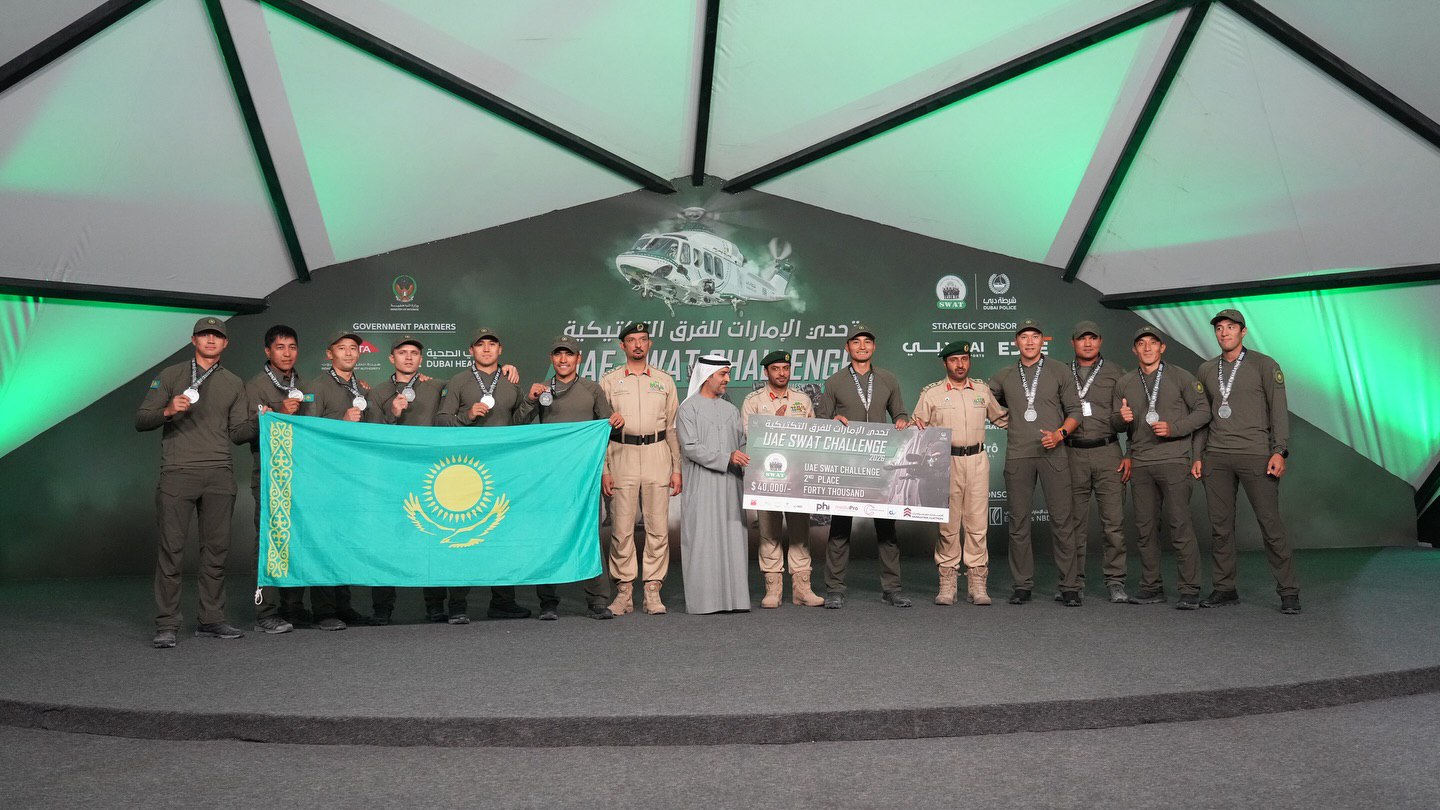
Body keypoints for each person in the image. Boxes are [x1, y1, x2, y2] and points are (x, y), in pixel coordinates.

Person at [134, 316, 250, 648]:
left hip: (219, 474)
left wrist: (267, 419)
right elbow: (141, 419)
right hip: (178, 472)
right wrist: (168, 410)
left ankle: (211, 620)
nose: (211, 339)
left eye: (217, 335)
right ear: (193, 340)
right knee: (171, 551)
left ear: (225, 343)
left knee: (216, 551)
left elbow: (238, 432)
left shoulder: (234, 382)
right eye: (204, 334)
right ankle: (167, 624)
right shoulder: (171, 375)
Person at [1193, 310, 1300, 614]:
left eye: (1231, 327)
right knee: (1220, 528)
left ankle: (1289, 591)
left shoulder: (1265, 365)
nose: (1224, 332)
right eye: (1219, 328)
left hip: (1256, 455)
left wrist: (1279, 450)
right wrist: (1197, 455)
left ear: (1243, 331)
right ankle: (1225, 588)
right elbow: (1203, 416)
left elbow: (1278, 410)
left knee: (1270, 524)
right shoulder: (1206, 369)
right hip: (1216, 457)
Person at [515, 335, 625, 620]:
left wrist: (616, 422)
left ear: (579, 358)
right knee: (548, 535)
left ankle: (597, 600)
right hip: (550, 475)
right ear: (551, 359)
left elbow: (608, 426)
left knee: (588, 533)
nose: (563, 359)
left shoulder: (591, 389)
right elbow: (517, 424)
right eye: (558, 354)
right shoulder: (541, 389)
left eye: (569, 354)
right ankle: (548, 602)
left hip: (584, 476)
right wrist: (529, 399)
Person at [435, 326, 530, 623]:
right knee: (463, 536)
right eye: (480, 345)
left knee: (502, 534)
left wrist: (530, 400)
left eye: (492, 344)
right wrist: (466, 416)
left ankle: (503, 601)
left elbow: (519, 422)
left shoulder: (511, 381)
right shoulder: (459, 381)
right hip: (467, 470)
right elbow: (440, 421)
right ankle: (457, 605)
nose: (486, 349)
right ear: (471, 351)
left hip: (504, 469)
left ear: (500, 350)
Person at [1112, 325, 1211, 609]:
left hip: (1174, 459)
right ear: (1134, 349)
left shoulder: (1181, 376)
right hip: (1142, 463)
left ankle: (1189, 589)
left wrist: (1175, 428)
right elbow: (1117, 424)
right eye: (1141, 343)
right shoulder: (1125, 382)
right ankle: (1151, 586)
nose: (1147, 347)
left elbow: (1204, 412)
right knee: (1145, 529)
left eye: (1152, 343)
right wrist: (1120, 419)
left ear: (1162, 347)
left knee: (1180, 525)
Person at [988, 319, 1084, 606]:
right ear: (1016, 342)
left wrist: (1060, 434)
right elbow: (981, 401)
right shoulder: (1003, 375)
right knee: (1018, 522)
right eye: (1024, 337)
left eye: (1035, 336)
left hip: (1054, 453)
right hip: (1019, 454)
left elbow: (1076, 411)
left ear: (1043, 340)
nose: (1029, 342)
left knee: (1062, 521)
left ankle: (1069, 587)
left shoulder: (1059, 371)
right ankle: (1022, 585)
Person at [817, 324, 912, 609]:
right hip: (846, 465)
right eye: (856, 342)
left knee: (887, 529)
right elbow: (821, 419)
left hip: (881, 464)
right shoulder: (835, 381)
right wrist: (832, 421)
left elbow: (900, 412)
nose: (862, 346)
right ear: (847, 347)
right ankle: (834, 589)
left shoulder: (888, 379)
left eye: (867, 342)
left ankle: (892, 589)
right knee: (839, 528)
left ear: (874, 347)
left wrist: (902, 420)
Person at [911, 340, 1008, 606]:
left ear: (969, 361)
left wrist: (1035, 421)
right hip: (945, 462)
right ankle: (947, 583)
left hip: (977, 460)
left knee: (977, 524)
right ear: (945, 363)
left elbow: (1002, 418)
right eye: (954, 360)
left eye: (964, 359)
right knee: (948, 526)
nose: (960, 365)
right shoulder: (931, 394)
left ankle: (977, 583)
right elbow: (917, 427)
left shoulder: (982, 390)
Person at [599, 322, 683, 616]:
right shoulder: (609, 381)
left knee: (657, 528)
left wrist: (676, 467)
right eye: (632, 340)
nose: (638, 344)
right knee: (621, 529)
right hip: (621, 452)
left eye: (643, 339)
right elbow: (601, 430)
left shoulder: (664, 381)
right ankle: (624, 592)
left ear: (649, 344)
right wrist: (605, 469)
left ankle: (652, 590)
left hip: (657, 453)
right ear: (622, 346)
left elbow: (672, 428)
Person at [307, 329, 383, 631]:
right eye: (342, 348)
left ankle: (343, 606)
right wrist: (341, 421)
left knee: (344, 542)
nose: (349, 352)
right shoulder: (317, 386)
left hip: (353, 477)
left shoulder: (361, 388)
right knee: (324, 541)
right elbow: (308, 431)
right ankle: (324, 611)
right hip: (325, 477)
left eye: (354, 348)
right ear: (330, 354)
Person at [738, 350, 825, 608]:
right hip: (766, 477)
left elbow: (813, 434)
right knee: (769, 533)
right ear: (766, 372)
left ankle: (802, 588)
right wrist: (773, 425)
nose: (781, 373)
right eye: (776, 369)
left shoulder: (802, 400)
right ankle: (773, 589)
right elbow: (748, 436)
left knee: (800, 532)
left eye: (785, 368)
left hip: (797, 477)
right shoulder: (753, 401)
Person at [371, 335, 444, 625]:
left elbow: (470, 388)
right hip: (391, 477)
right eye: (403, 352)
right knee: (385, 541)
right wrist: (392, 414)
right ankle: (382, 608)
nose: (409, 357)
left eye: (414, 352)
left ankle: (435, 606)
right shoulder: (377, 391)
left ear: (421, 359)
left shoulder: (435, 386)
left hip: (428, 474)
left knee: (432, 538)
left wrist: (506, 369)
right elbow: (370, 433)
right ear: (392, 358)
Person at [240, 324, 307, 633]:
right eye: (280, 347)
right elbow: (243, 431)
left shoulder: (304, 383)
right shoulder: (255, 386)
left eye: (292, 347)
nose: (287, 353)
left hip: (302, 475)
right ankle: (265, 611)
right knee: (270, 541)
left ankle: (293, 607)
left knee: (298, 540)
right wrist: (278, 415)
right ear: (268, 351)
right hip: (270, 477)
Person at [676, 355, 751, 614]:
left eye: (728, 373)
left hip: (731, 485)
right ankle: (703, 602)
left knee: (733, 538)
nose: (727, 379)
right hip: (702, 486)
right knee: (703, 540)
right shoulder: (688, 409)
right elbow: (690, 447)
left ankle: (735, 600)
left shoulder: (731, 410)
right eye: (723, 374)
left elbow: (742, 445)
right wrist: (726, 457)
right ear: (708, 376)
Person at [1064, 321, 1131, 604]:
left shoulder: (1117, 373)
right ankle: (1073, 583)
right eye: (1082, 339)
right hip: (1072, 454)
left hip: (1108, 452)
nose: (1088, 343)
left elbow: (1128, 417)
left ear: (1100, 341)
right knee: (1073, 525)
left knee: (1113, 524)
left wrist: (1130, 453)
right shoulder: (1061, 373)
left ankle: (1115, 581)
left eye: (1093, 338)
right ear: (1073, 343)